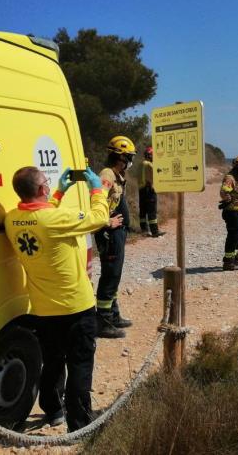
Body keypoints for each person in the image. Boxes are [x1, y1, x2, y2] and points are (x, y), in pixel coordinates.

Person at [4, 165, 110, 431]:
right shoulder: (56, 220)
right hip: (76, 307)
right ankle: (79, 425)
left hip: (43, 309)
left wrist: (60, 192)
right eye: (46, 184)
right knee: (79, 366)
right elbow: (99, 217)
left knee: (52, 361)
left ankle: (53, 410)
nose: (49, 186)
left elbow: (40, 213)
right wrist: (99, 188)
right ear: (41, 189)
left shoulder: (12, 219)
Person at [94, 135, 135, 338]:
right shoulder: (107, 174)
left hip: (117, 232)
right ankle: (103, 322)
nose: (130, 161)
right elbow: (97, 199)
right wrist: (107, 222)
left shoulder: (117, 175)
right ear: (120, 157)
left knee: (115, 274)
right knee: (110, 275)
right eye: (128, 157)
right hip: (109, 232)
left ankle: (113, 314)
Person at [138, 146, 166, 237]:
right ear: (150, 156)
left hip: (141, 190)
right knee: (151, 211)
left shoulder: (141, 164)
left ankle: (144, 230)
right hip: (149, 190)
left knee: (143, 211)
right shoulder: (149, 165)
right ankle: (155, 231)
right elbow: (157, 176)